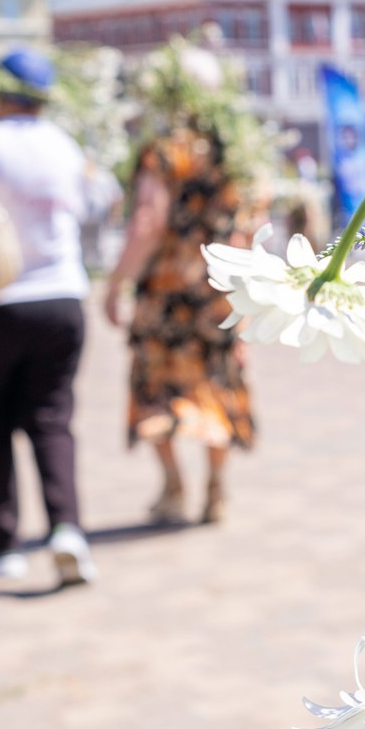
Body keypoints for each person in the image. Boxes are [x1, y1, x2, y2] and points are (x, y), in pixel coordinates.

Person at [0, 49, 98, 586]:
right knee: (52, 419)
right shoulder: (64, 143)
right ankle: (67, 530)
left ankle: (4, 543)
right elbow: (93, 203)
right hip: (62, 298)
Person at [106, 46, 261, 526]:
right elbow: (252, 227)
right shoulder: (238, 153)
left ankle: (174, 486)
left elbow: (148, 222)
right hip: (219, 293)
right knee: (216, 383)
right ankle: (216, 489)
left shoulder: (164, 151)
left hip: (168, 291)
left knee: (157, 386)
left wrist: (117, 284)